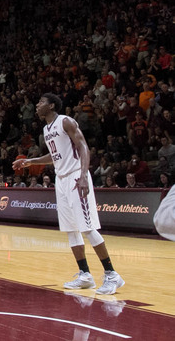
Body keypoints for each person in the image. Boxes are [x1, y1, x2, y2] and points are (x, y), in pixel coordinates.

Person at [13, 93, 125, 295]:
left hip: (75, 176)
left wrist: (83, 175)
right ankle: (85, 275)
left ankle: (112, 274)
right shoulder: (47, 129)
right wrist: (31, 161)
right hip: (61, 179)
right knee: (71, 230)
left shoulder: (65, 121)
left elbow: (83, 146)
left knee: (87, 227)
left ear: (52, 105)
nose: (37, 105)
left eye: (41, 102)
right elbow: (55, 156)